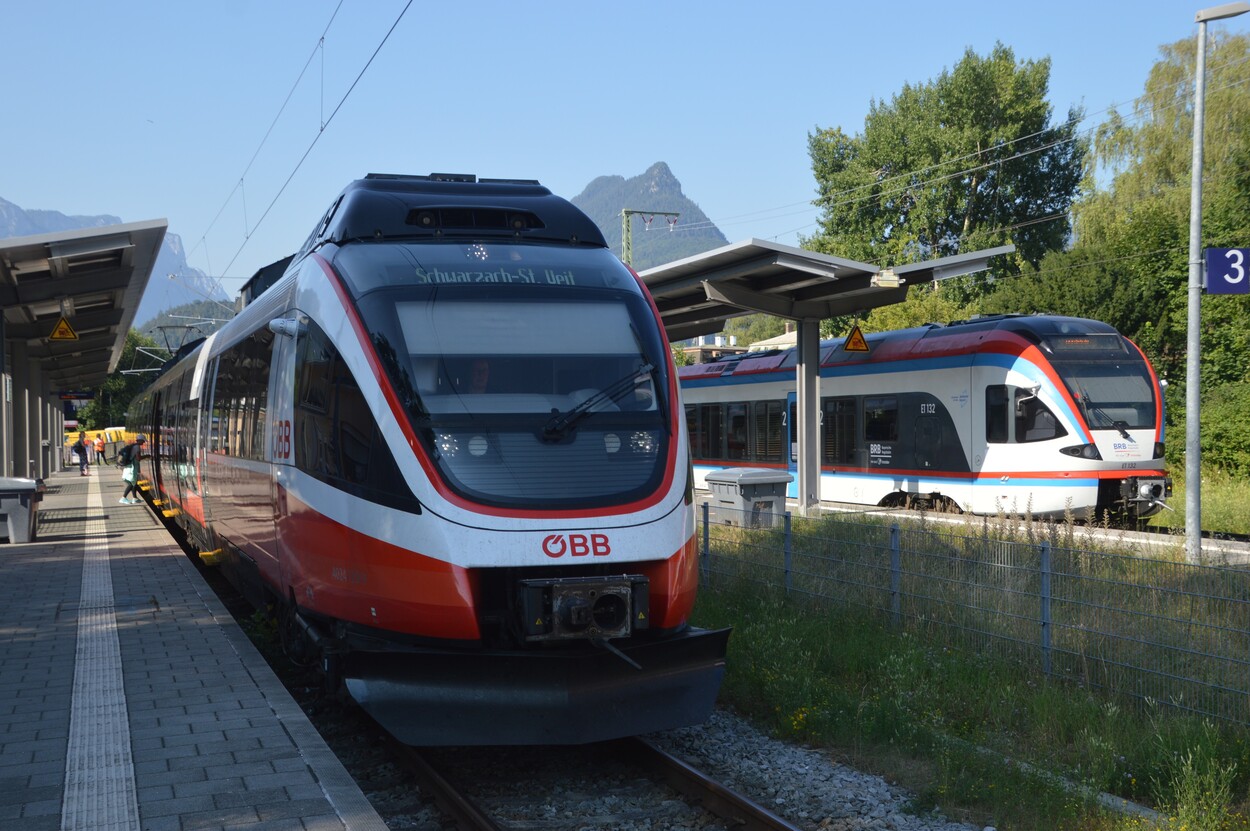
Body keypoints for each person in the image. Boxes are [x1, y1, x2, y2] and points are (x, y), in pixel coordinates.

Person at [118, 434, 147, 505]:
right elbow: (138, 458)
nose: (143, 443)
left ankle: (135, 498)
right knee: (131, 483)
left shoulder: (133, 446)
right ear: (140, 440)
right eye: (143, 441)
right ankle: (123, 498)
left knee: (134, 482)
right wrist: (147, 456)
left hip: (130, 466)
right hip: (132, 467)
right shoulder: (137, 447)